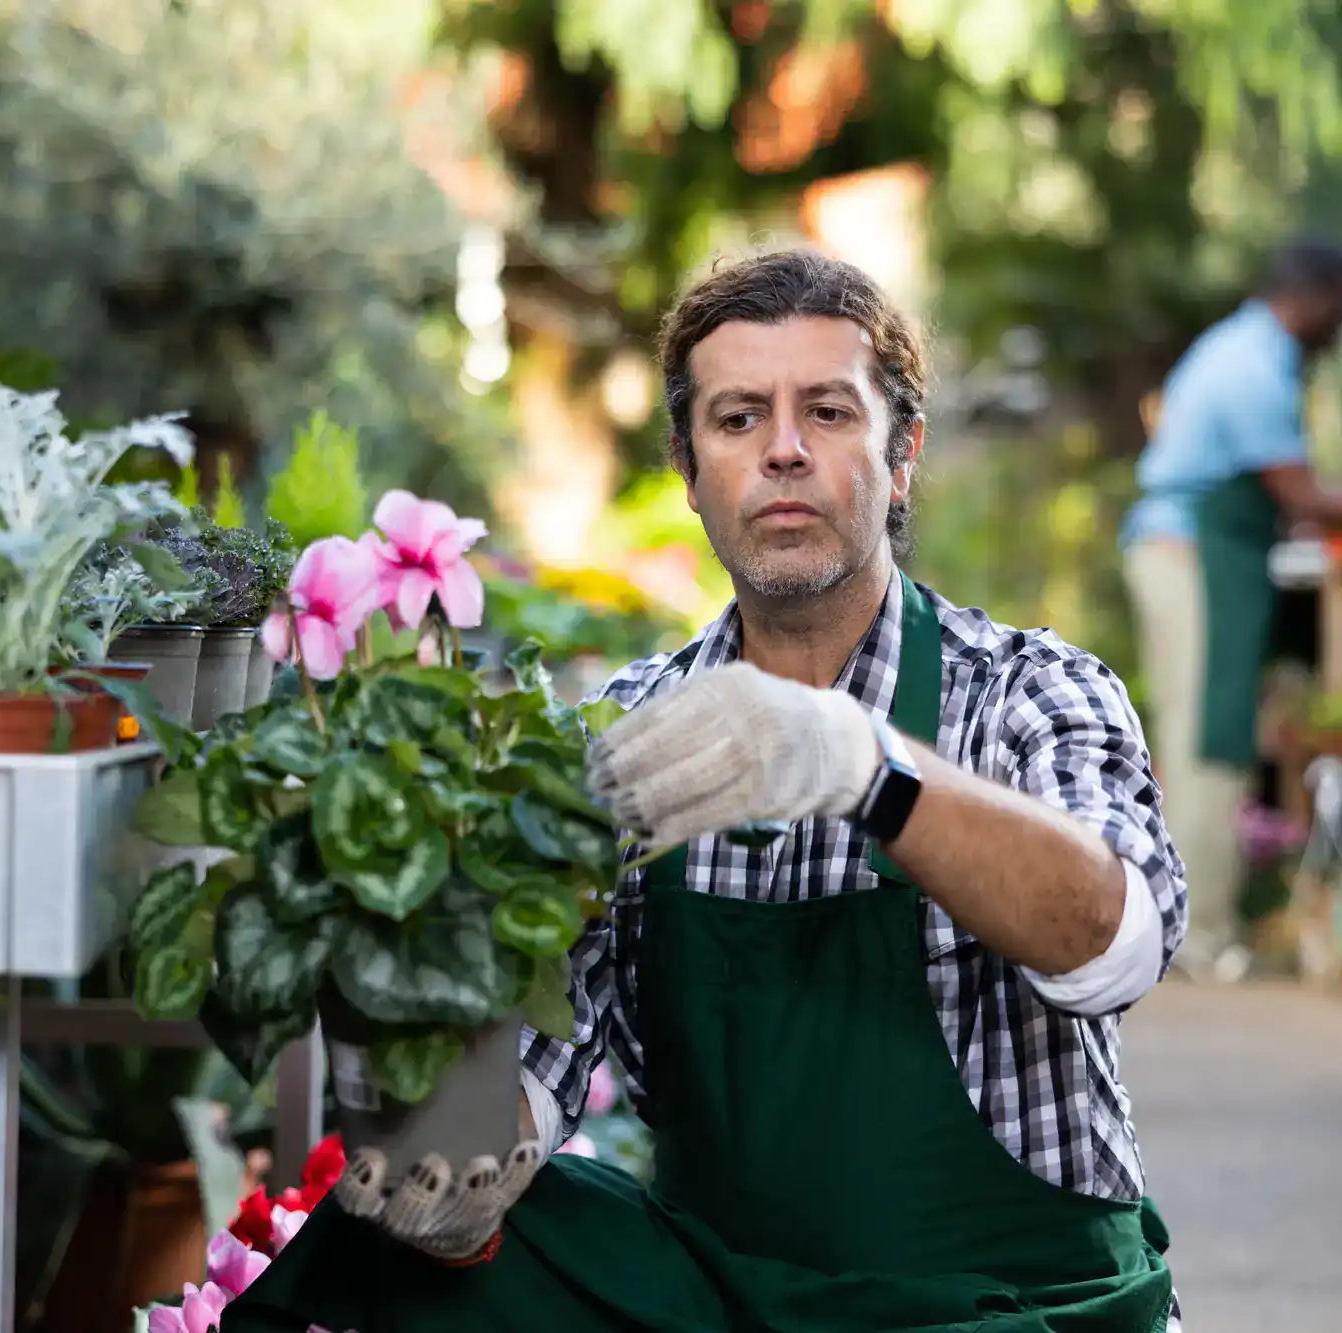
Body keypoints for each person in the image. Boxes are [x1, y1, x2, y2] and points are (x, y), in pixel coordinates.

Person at [228, 250, 1186, 1332]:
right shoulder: (625, 742)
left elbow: (1114, 944)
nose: (782, 450)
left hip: (1016, 1304)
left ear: (901, 452)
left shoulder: (1028, 692)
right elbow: (537, 1079)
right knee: (410, 1259)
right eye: (737, 420)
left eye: (827, 411)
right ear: (688, 471)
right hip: (728, 1303)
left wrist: (862, 764)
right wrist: (445, 1165)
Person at [1119, 238, 1342, 983]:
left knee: (1198, 738)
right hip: (1194, 558)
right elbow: (1302, 496)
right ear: (1313, 300)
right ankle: (1198, 932)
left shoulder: (1237, 346)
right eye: (1340, 314)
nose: (1340, 331)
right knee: (1207, 742)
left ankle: (1189, 924)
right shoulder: (1254, 365)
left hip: (1184, 552)